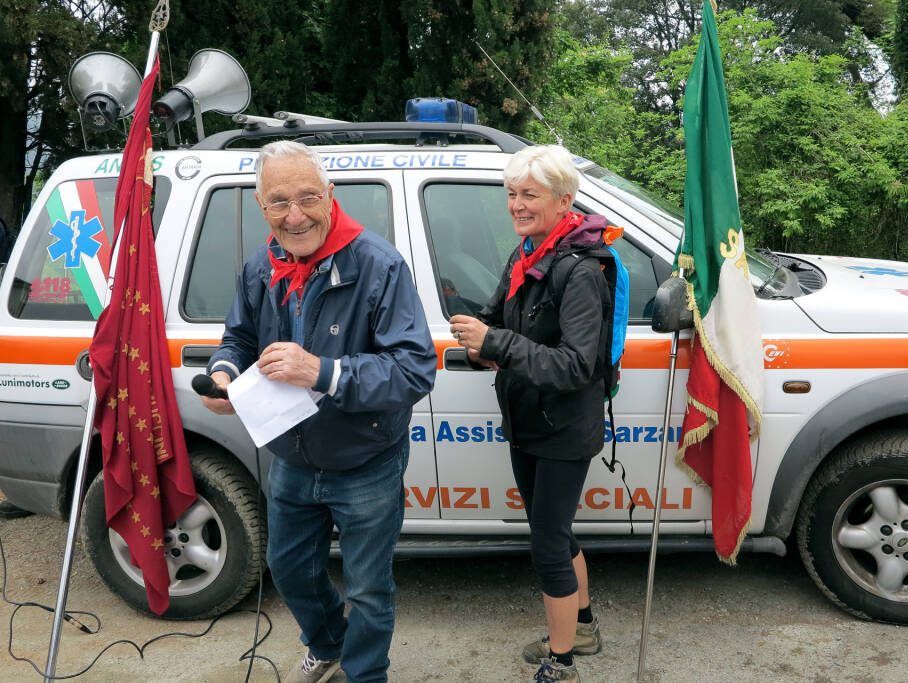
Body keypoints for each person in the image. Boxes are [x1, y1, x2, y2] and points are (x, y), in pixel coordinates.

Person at [201, 140, 436, 683]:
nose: (295, 214)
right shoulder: (261, 266)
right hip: (292, 457)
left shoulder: (378, 264)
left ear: (330, 195)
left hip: (366, 459)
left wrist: (323, 372)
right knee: (289, 569)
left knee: (369, 589)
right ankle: (328, 643)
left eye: (308, 197)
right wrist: (225, 376)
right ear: (262, 207)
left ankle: (365, 674)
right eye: (279, 201)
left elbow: (414, 370)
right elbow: (236, 338)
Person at [449, 145, 612, 683]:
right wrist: (478, 340)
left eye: (530, 195)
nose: (517, 205)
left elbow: (575, 366)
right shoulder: (526, 255)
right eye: (512, 194)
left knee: (547, 543)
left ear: (565, 201)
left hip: (564, 426)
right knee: (558, 533)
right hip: (527, 421)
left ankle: (562, 662)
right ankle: (583, 627)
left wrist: (493, 340)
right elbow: (497, 319)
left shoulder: (580, 270)